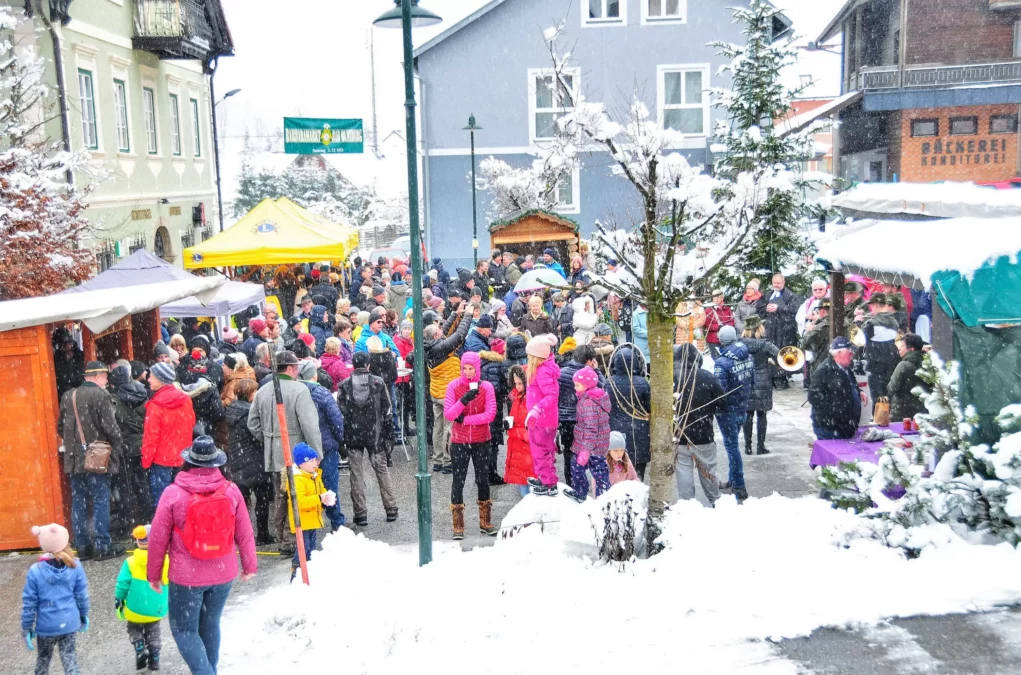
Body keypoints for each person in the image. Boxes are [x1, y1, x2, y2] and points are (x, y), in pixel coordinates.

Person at [147, 436, 258, 675]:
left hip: (186, 577)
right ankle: (210, 670)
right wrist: (249, 565)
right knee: (210, 625)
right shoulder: (231, 491)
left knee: (184, 630)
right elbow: (245, 531)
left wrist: (153, 574)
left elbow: (157, 538)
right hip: (223, 573)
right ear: (215, 463)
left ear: (188, 462)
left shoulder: (173, 493)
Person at [247, 350, 322, 555]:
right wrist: (316, 453)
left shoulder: (263, 390)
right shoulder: (299, 390)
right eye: (296, 367)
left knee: (280, 496)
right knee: (295, 495)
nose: (298, 371)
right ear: (289, 369)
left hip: (273, 453)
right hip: (296, 452)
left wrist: (270, 438)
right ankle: (292, 539)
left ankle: (282, 540)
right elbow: (310, 425)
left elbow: (252, 423)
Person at [57, 361, 125, 561]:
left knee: (78, 501)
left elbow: (60, 426)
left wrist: (75, 443)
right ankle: (103, 546)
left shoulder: (68, 395)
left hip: (73, 458)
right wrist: (117, 445)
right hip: (97, 457)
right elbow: (111, 429)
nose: (106, 380)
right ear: (96, 377)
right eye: (105, 377)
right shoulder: (101, 395)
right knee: (101, 499)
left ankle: (83, 546)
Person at [338, 352, 398, 526]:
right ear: (368, 365)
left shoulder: (345, 385)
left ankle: (361, 514)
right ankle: (391, 509)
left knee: (356, 474)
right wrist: (388, 436)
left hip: (353, 435)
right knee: (382, 470)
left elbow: (341, 412)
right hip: (376, 434)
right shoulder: (378, 382)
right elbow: (388, 410)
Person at [443, 352, 499, 539]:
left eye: (471, 368)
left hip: (481, 440)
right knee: (458, 481)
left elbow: (489, 415)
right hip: (459, 441)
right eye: (464, 368)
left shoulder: (487, 387)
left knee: (483, 480)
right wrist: (464, 400)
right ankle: (458, 525)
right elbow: (450, 414)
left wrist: (465, 419)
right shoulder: (454, 386)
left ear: (477, 369)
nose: (467, 372)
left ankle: (485, 522)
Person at [21, 523, 88, 675]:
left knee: (43, 660)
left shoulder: (35, 571)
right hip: (70, 623)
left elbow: (29, 603)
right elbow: (81, 595)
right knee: (70, 657)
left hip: (46, 627)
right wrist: (83, 614)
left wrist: (26, 627)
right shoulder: (75, 565)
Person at [225, 379, 274, 546]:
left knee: (242, 503)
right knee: (262, 500)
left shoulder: (231, 410)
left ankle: (241, 535)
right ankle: (263, 534)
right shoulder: (250, 413)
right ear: (249, 394)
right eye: (255, 391)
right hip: (255, 461)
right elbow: (259, 435)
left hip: (238, 461)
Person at [673, 344, 724, 504]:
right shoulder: (707, 377)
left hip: (680, 435)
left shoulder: (672, 379)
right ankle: (715, 500)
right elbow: (722, 404)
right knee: (708, 471)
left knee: (683, 472)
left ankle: (687, 504)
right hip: (704, 434)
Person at [425, 304, 472, 473]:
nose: (442, 332)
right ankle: (447, 461)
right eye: (439, 332)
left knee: (437, 428)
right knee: (448, 428)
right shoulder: (441, 347)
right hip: (447, 394)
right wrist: (467, 316)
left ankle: (437, 460)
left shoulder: (430, 345)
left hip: (435, 393)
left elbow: (442, 333)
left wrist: (454, 314)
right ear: (436, 336)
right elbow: (459, 336)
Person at [115, 524, 168, 671]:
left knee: (134, 628)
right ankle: (155, 657)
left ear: (138, 542)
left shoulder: (130, 562)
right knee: (154, 631)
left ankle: (139, 647)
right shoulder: (166, 560)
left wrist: (119, 598)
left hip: (135, 606)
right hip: (155, 606)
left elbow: (122, 584)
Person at [713, 326, 753, 500]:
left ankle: (738, 485)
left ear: (721, 341)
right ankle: (733, 480)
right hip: (742, 407)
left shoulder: (722, 362)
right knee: (733, 446)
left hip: (728, 410)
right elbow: (752, 380)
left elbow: (720, 391)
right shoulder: (748, 356)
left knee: (732, 448)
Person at [110, 362, 151, 526]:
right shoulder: (142, 392)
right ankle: (147, 517)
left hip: (124, 448)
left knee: (123, 488)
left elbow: (114, 424)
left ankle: (126, 523)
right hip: (142, 445)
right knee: (142, 484)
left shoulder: (114, 399)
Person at [286, 443, 332, 581]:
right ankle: (296, 574)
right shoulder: (297, 479)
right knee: (303, 549)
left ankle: (308, 574)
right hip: (302, 521)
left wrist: (326, 497)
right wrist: (319, 498)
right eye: (311, 460)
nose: (315, 463)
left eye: (315, 459)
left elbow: (321, 489)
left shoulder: (314, 476)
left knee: (311, 548)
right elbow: (299, 502)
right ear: (301, 463)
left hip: (312, 519)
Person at [524, 334, 561, 496]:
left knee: (542, 451)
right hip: (540, 420)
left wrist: (537, 409)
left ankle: (549, 482)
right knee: (541, 450)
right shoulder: (542, 369)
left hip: (543, 420)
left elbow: (552, 395)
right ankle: (544, 477)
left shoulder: (542, 372)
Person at [607, 346, 651, 480]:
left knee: (616, 467)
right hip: (638, 430)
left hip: (616, 429)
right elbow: (649, 407)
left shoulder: (609, 383)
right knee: (637, 467)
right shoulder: (642, 383)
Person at [808, 337, 865, 440]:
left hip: (845, 426)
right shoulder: (824, 371)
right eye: (849, 352)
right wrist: (836, 413)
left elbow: (847, 384)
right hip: (830, 428)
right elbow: (813, 397)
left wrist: (857, 391)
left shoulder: (845, 367)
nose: (852, 354)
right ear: (839, 353)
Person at [569, 366, 611, 501]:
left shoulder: (588, 402)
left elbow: (591, 428)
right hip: (597, 444)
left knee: (580, 467)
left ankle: (585, 493)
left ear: (586, 385)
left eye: (577, 385)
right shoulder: (593, 397)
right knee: (599, 471)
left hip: (591, 446)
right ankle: (602, 495)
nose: (575, 388)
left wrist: (585, 450)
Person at [740, 316, 779, 456]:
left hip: (746, 380)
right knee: (762, 414)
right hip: (763, 381)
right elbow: (781, 356)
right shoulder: (765, 344)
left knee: (747, 414)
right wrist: (770, 361)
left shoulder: (740, 344)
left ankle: (747, 446)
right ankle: (760, 446)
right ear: (759, 328)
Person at [861, 292, 901, 403]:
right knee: (889, 396)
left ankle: (879, 417)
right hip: (891, 364)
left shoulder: (871, 324)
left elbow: (858, 341)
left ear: (876, 305)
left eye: (871, 306)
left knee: (877, 398)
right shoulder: (895, 322)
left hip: (875, 365)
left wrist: (858, 323)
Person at [764, 274, 800, 389]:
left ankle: (782, 378)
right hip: (770, 329)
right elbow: (760, 307)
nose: (776, 285)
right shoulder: (768, 295)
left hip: (785, 331)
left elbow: (794, 310)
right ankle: (772, 378)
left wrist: (779, 308)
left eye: (778, 283)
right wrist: (766, 308)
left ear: (783, 282)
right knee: (771, 353)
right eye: (774, 283)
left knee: (783, 354)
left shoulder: (790, 295)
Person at [504, 366, 535, 497]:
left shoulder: (530, 400)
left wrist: (513, 432)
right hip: (520, 450)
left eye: (520, 383)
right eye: (515, 383)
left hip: (527, 451)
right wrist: (508, 425)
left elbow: (531, 431)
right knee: (525, 488)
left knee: (529, 492)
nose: (517, 386)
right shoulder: (518, 398)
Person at [888, 333, 928, 422]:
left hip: (902, 413)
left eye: (902, 346)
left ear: (911, 349)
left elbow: (891, 388)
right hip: (923, 412)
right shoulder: (927, 364)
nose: (899, 349)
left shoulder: (903, 366)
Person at [802, 299, 833, 377]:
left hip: (822, 363)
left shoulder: (821, 326)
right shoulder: (845, 321)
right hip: (840, 363)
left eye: (818, 310)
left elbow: (805, 344)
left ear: (822, 310)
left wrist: (809, 331)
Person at [52, 327, 84, 403]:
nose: (62, 346)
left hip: (77, 391)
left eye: (68, 343)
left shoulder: (79, 356)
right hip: (63, 393)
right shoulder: (57, 358)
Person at [704, 290, 735, 358]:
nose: (716, 298)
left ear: (722, 298)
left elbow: (732, 321)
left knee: (728, 358)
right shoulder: (708, 310)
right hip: (714, 339)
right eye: (714, 297)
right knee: (716, 359)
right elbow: (707, 325)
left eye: (719, 297)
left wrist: (725, 327)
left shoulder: (727, 309)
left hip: (726, 338)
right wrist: (718, 327)